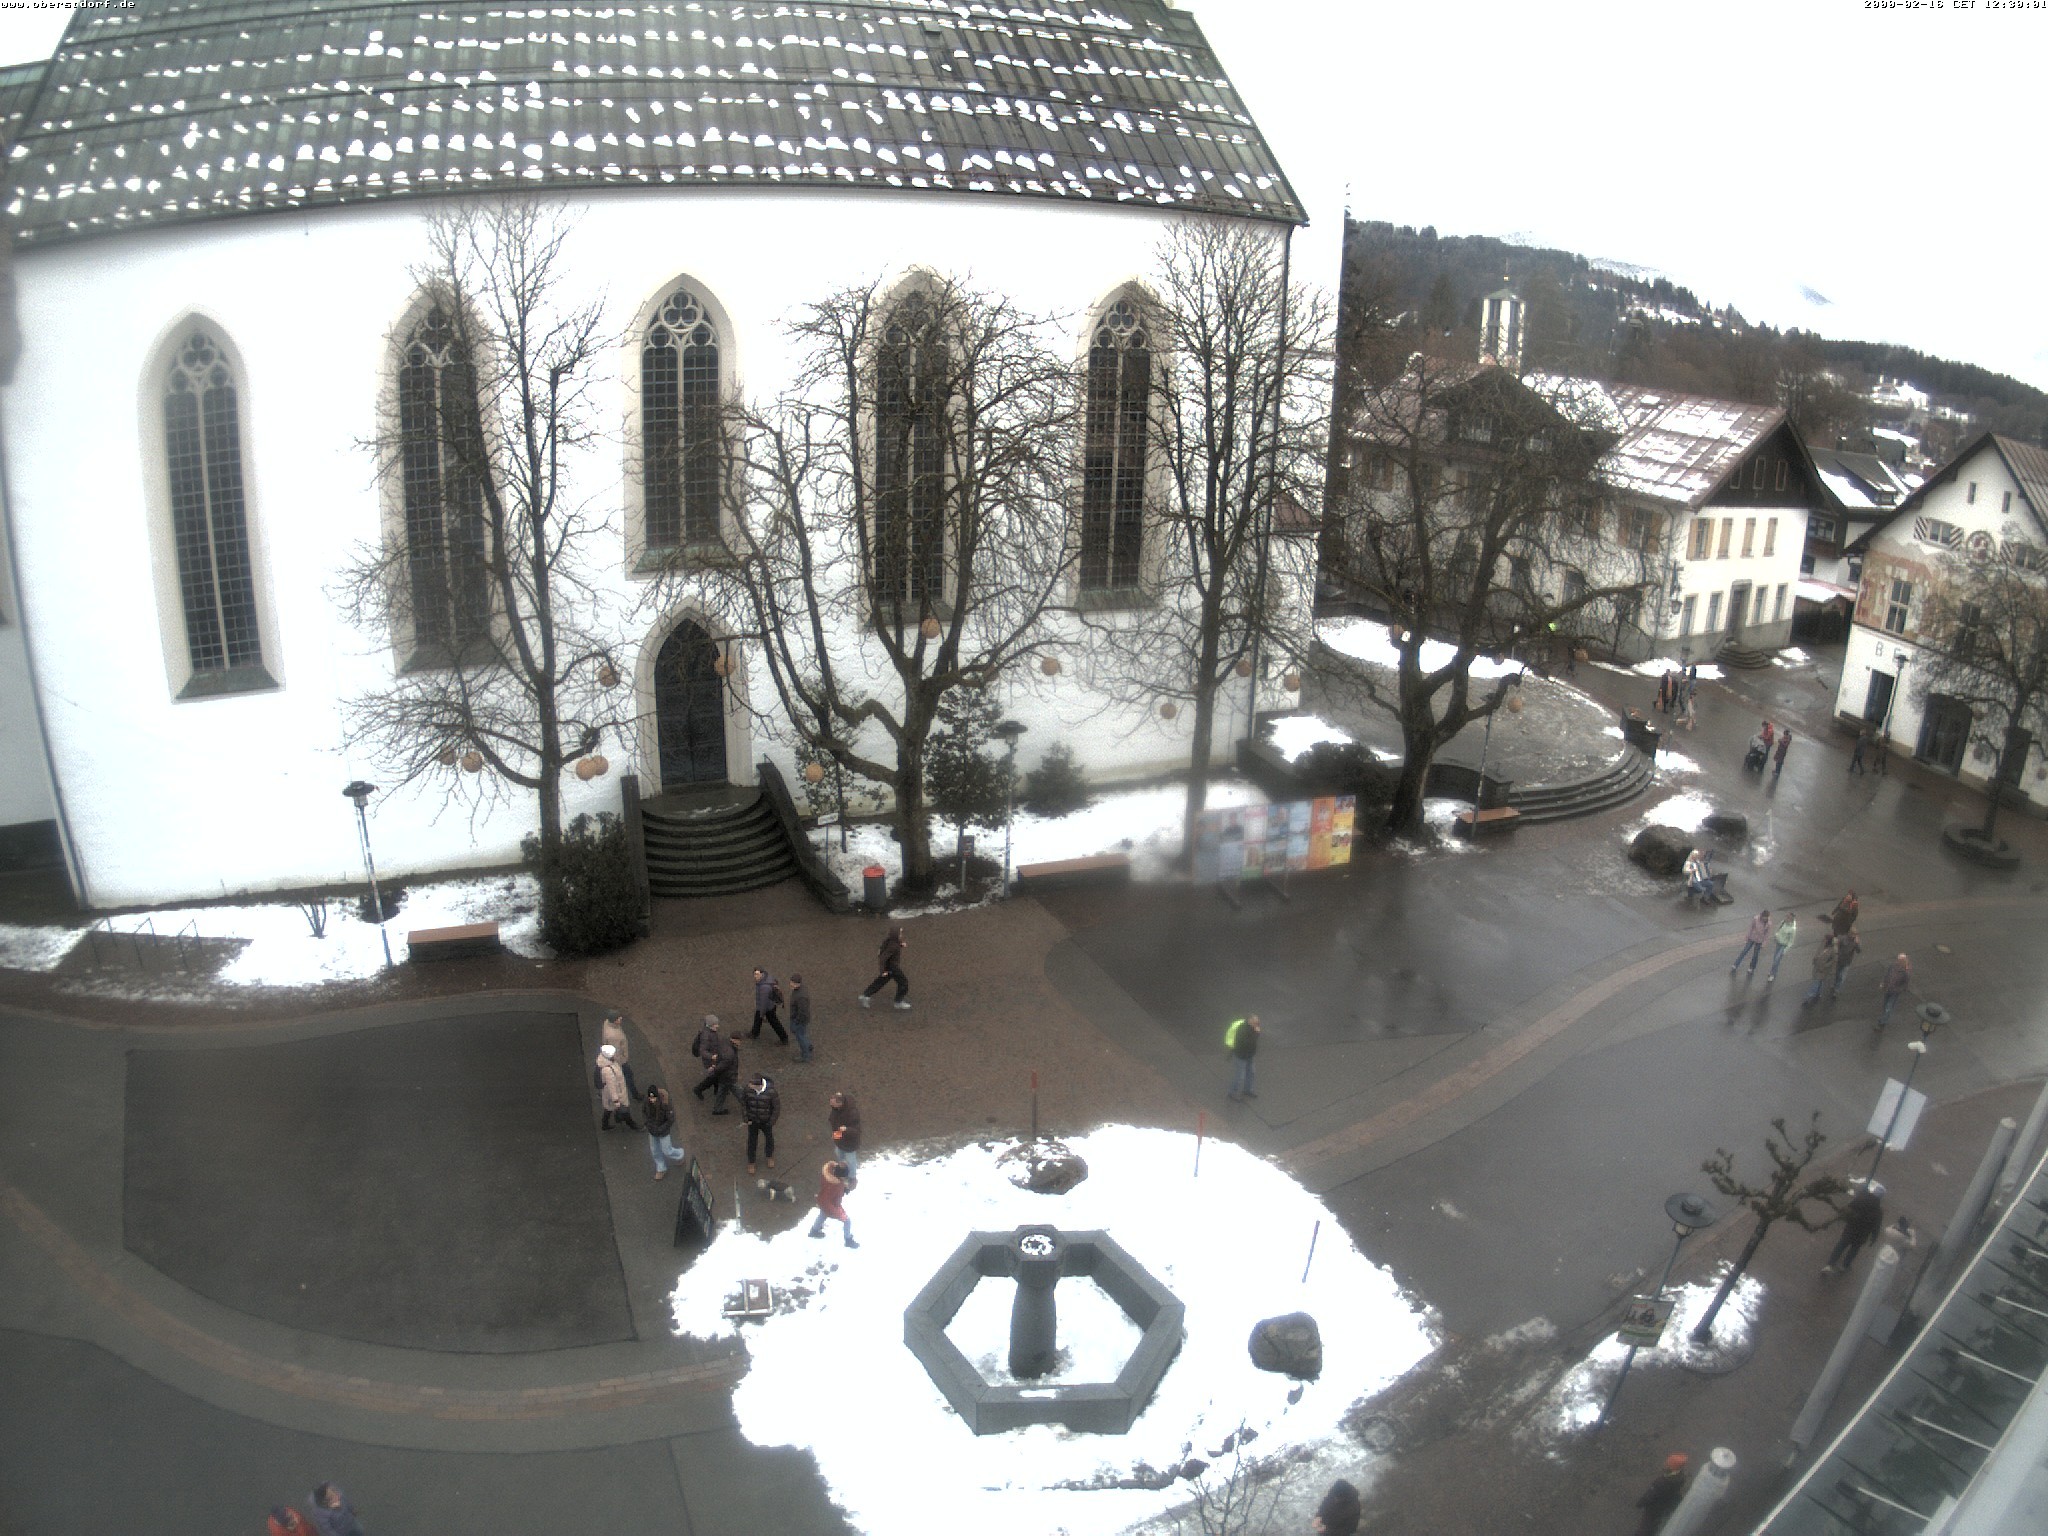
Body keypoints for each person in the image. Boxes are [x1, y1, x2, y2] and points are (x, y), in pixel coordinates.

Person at [1823, 1181, 1885, 1276]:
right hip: (1862, 1234)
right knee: (1854, 1250)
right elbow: (1876, 1226)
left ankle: (1830, 1264)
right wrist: (1873, 1238)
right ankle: (1845, 1266)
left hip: (1851, 1227)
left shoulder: (1861, 1199)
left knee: (1841, 1245)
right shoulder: (1878, 1211)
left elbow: (1849, 1207)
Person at [1631, 1455, 1688, 1536]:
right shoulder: (1680, 1478)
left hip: (1654, 1508)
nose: (1665, 1464)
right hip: (1664, 1507)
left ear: (1672, 1467)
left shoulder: (1661, 1483)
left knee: (1645, 1526)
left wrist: (1640, 1503)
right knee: (1655, 1524)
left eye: (1668, 1464)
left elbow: (1650, 1495)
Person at [809, 1159, 858, 1248]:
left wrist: (835, 1165)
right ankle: (848, 1240)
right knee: (847, 1221)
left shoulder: (827, 1175)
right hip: (831, 1205)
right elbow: (834, 1199)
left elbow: (829, 1165)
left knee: (823, 1214)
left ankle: (814, 1231)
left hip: (822, 1200)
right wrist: (838, 1213)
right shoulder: (838, 1186)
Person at [859, 925, 911, 1009]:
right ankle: (898, 1002)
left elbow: (886, 950)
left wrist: (901, 945)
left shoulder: (890, 941)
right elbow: (883, 958)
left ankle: (865, 995)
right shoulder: (893, 946)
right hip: (893, 967)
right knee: (903, 983)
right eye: (900, 933)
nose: (901, 935)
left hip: (889, 967)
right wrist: (882, 971)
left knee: (880, 981)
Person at [739, 1071, 781, 1174]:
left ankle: (769, 1156)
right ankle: (751, 1162)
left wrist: (771, 1121)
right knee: (752, 1141)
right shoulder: (747, 1090)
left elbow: (776, 1108)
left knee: (769, 1139)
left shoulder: (771, 1092)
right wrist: (746, 1118)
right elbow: (743, 1103)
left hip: (766, 1121)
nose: (749, 1086)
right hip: (753, 1120)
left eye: (752, 1085)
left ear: (759, 1085)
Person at [694, 1023, 740, 1115]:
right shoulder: (728, 1052)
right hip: (724, 1072)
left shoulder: (721, 1040)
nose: (717, 1026)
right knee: (735, 1090)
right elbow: (704, 1051)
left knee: (719, 1087)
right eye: (715, 1024)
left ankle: (717, 1107)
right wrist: (713, 1063)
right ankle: (747, 1103)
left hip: (718, 1065)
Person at [643, 1083, 686, 1180]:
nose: (652, 1100)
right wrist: (648, 1125)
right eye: (650, 1098)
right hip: (652, 1130)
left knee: (667, 1150)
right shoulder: (646, 1102)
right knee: (655, 1150)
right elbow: (644, 1114)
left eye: (654, 1098)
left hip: (663, 1131)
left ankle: (680, 1154)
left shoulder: (665, 1104)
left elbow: (670, 1119)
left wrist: (661, 1128)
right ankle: (661, 1168)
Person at [595, 1044, 640, 1132]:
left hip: (610, 1094)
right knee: (624, 1109)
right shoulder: (608, 1070)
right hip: (617, 1093)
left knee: (608, 1108)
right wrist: (616, 1100)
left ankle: (605, 1124)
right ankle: (631, 1124)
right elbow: (611, 1086)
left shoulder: (606, 1064)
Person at [1225, 1014, 1261, 1101]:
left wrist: (1256, 1032)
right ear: (1250, 1021)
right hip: (1241, 1056)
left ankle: (1248, 1089)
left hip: (1249, 1055)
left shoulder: (1251, 1028)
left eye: (1257, 1023)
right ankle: (1232, 1092)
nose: (1257, 1025)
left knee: (1251, 1072)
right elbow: (1248, 1043)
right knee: (1239, 1075)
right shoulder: (1243, 1030)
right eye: (1255, 1023)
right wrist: (1256, 1033)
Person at [750, 966, 789, 1043]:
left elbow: (764, 1003)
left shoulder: (764, 987)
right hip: (770, 1005)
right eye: (754, 974)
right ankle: (754, 1033)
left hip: (766, 1007)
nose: (755, 976)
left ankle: (784, 1038)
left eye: (757, 974)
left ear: (762, 974)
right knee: (758, 1019)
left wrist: (762, 1013)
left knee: (773, 1022)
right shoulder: (766, 979)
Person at [828, 1090, 862, 1180]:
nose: (832, 1106)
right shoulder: (836, 1109)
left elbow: (856, 1131)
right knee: (838, 1153)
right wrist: (835, 1135)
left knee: (850, 1161)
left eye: (833, 1104)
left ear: (840, 1103)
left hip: (850, 1143)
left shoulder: (853, 1113)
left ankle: (852, 1176)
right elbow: (833, 1122)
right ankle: (842, 1171)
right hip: (840, 1141)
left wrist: (846, 1129)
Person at [1802, 933, 1840, 1006]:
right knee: (1820, 982)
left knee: (1816, 984)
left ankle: (1808, 997)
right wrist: (1815, 960)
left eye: (1826, 939)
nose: (1824, 940)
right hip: (1818, 968)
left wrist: (1825, 966)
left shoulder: (1833, 950)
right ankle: (1818, 994)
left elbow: (1833, 960)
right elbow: (1818, 953)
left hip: (1823, 970)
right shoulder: (1823, 945)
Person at [1731, 909, 1771, 975]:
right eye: (1764, 917)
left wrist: (1764, 943)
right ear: (1762, 915)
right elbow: (1751, 928)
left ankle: (1751, 967)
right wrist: (1747, 936)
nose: (1764, 919)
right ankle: (1736, 964)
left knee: (1755, 954)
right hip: (1752, 937)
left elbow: (1767, 934)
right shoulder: (1756, 919)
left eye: (1766, 918)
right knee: (1745, 951)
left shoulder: (1768, 924)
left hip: (1759, 940)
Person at [1879, 953, 1913, 1027]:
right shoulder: (1893, 966)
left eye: (1900, 960)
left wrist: (1898, 990)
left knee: (1889, 1007)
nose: (1898, 961)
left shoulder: (1906, 972)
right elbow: (1887, 975)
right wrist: (1883, 983)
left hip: (1894, 992)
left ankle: (1883, 1022)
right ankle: (1883, 1017)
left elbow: (1905, 985)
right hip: (1888, 989)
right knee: (1885, 1005)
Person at [787, 971, 814, 1062]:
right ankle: (808, 1045)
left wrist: (797, 1021)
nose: (790, 984)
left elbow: (803, 1012)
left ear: (796, 983)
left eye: (792, 983)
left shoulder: (801, 997)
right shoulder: (800, 990)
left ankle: (805, 1055)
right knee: (801, 1034)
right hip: (798, 1019)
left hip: (799, 1020)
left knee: (800, 1036)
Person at [1831, 928, 1863, 998]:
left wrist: (1857, 943)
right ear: (1849, 933)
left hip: (1847, 962)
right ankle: (1835, 985)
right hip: (1840, 960)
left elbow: (1859, 951)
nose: (1853, 936)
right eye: (1853, 934)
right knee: (1837, 974)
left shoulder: (1855, 942)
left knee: (1841, 976)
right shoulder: (1843, 938)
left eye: (1855, 934)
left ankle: (1836, 990)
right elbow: (1836, 944)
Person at [1767, 911, 1798, 983]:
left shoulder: (1792, 929)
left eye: (1788, 917)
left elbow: (1791, 942)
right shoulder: (1783, 922)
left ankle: (1772, 974)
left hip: (1783, 946)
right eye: (1786, 916)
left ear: (1791, 919)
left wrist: (1785, 950)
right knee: (1775, 959)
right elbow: (1778, 928)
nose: (1786, 918)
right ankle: (1773, 971)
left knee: (1776, 960)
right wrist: (1776, 935)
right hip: (1778, 943)